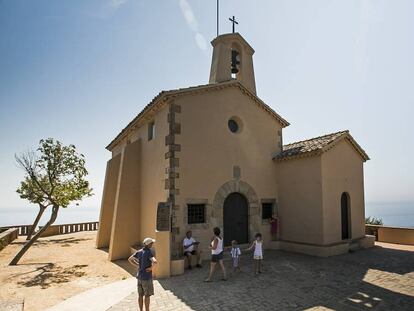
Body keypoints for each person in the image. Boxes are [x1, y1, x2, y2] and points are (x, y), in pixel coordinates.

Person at [128, 237, 157, 311]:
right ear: (149, 244)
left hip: (139, 277)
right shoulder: (149, 252)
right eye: (151, 243)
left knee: (140, 295)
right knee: (147, 296)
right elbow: (155, 262)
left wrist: (137, 265)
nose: (152, 244)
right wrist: (151, 268)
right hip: (146, 277)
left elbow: (130, 259)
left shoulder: (139, 251)